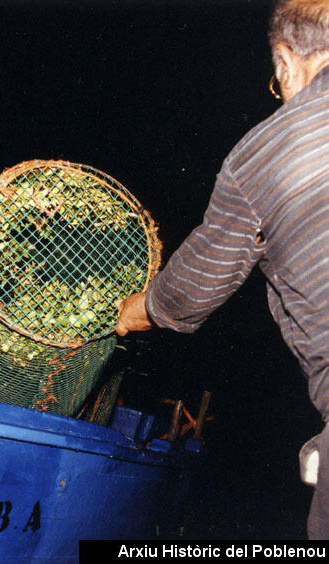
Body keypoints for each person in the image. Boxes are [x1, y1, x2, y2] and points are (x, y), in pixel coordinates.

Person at [115, 0, 329, 539]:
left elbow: (188, 292)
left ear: (286, 60)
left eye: (276, 81)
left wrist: (132, 311)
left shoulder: (265, 153)